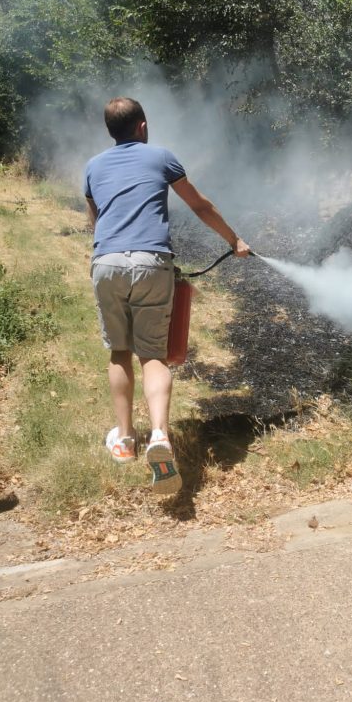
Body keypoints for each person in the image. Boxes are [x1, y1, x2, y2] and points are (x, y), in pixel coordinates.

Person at [84, 97, 250, 494]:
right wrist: (235, 240)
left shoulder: (92, 167)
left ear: (111, 131)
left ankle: (124, 439)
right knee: (152, 355)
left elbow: (95, 220)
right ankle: (159, 435)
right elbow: (200, 205)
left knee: (119, 352)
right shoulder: (161, 157)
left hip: (106, 261)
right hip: (150, 261)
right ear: (142, 126)